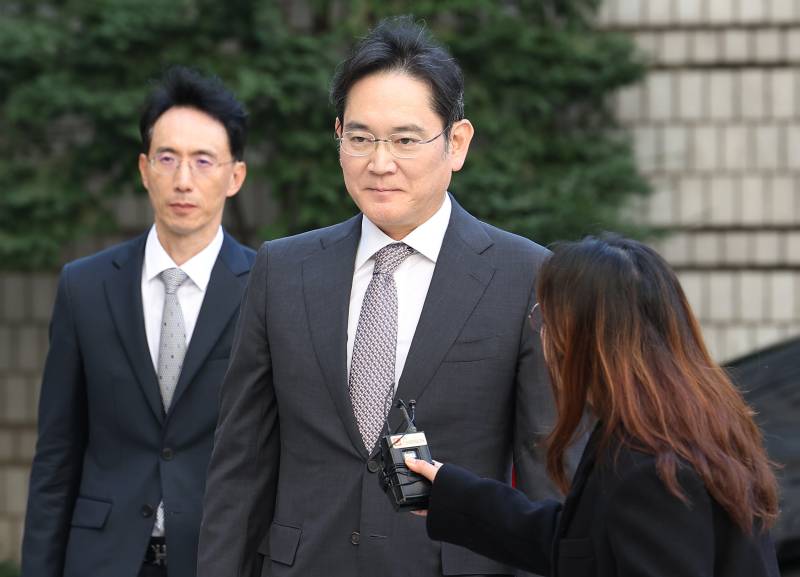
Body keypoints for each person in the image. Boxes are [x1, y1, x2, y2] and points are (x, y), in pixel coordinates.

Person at [197, 15, 555, 577]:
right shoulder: (283, 270)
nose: (379, 163)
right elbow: (241, 465)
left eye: (406, 140)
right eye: (361, 139)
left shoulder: (525, 274)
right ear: (339, 137)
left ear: (457, 143)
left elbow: (546, 475)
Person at [406, 234, 781, 577]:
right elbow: (577, 546)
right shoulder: (680, 429)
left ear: (586, 338)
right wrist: (453, 495)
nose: (543, 336)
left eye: (546, 320)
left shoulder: (651, 467)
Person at [21, 66, 256, 577]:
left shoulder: (266, 288)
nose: (183, 180)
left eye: (203, 161)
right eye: (167, 158)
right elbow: (57, 457)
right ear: (144, 168)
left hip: (219, 558)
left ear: (235, 176)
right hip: (101, 559)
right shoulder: (85, 287)